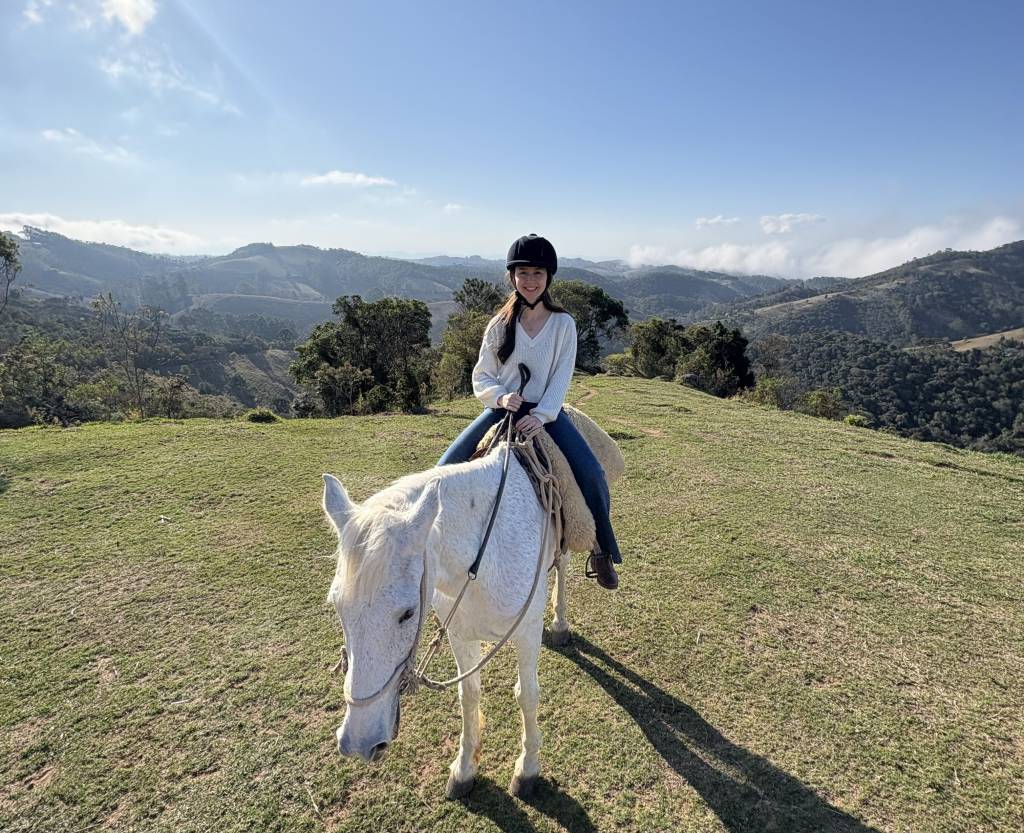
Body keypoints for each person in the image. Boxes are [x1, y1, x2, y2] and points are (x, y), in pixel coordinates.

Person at [436, 233, 622, 590]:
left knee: (593, 473)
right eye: (523, 273)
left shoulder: (563, 324)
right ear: (512, 278)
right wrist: (501, 398)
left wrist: (543, 415)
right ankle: (437, 541)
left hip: (546, 413)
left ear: (548, 277)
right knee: (444, 467)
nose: (530, 281)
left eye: (537, 273)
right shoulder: (498, 324)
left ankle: (602, 551)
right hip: (503, 410)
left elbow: (561, 374)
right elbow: (482, 374)